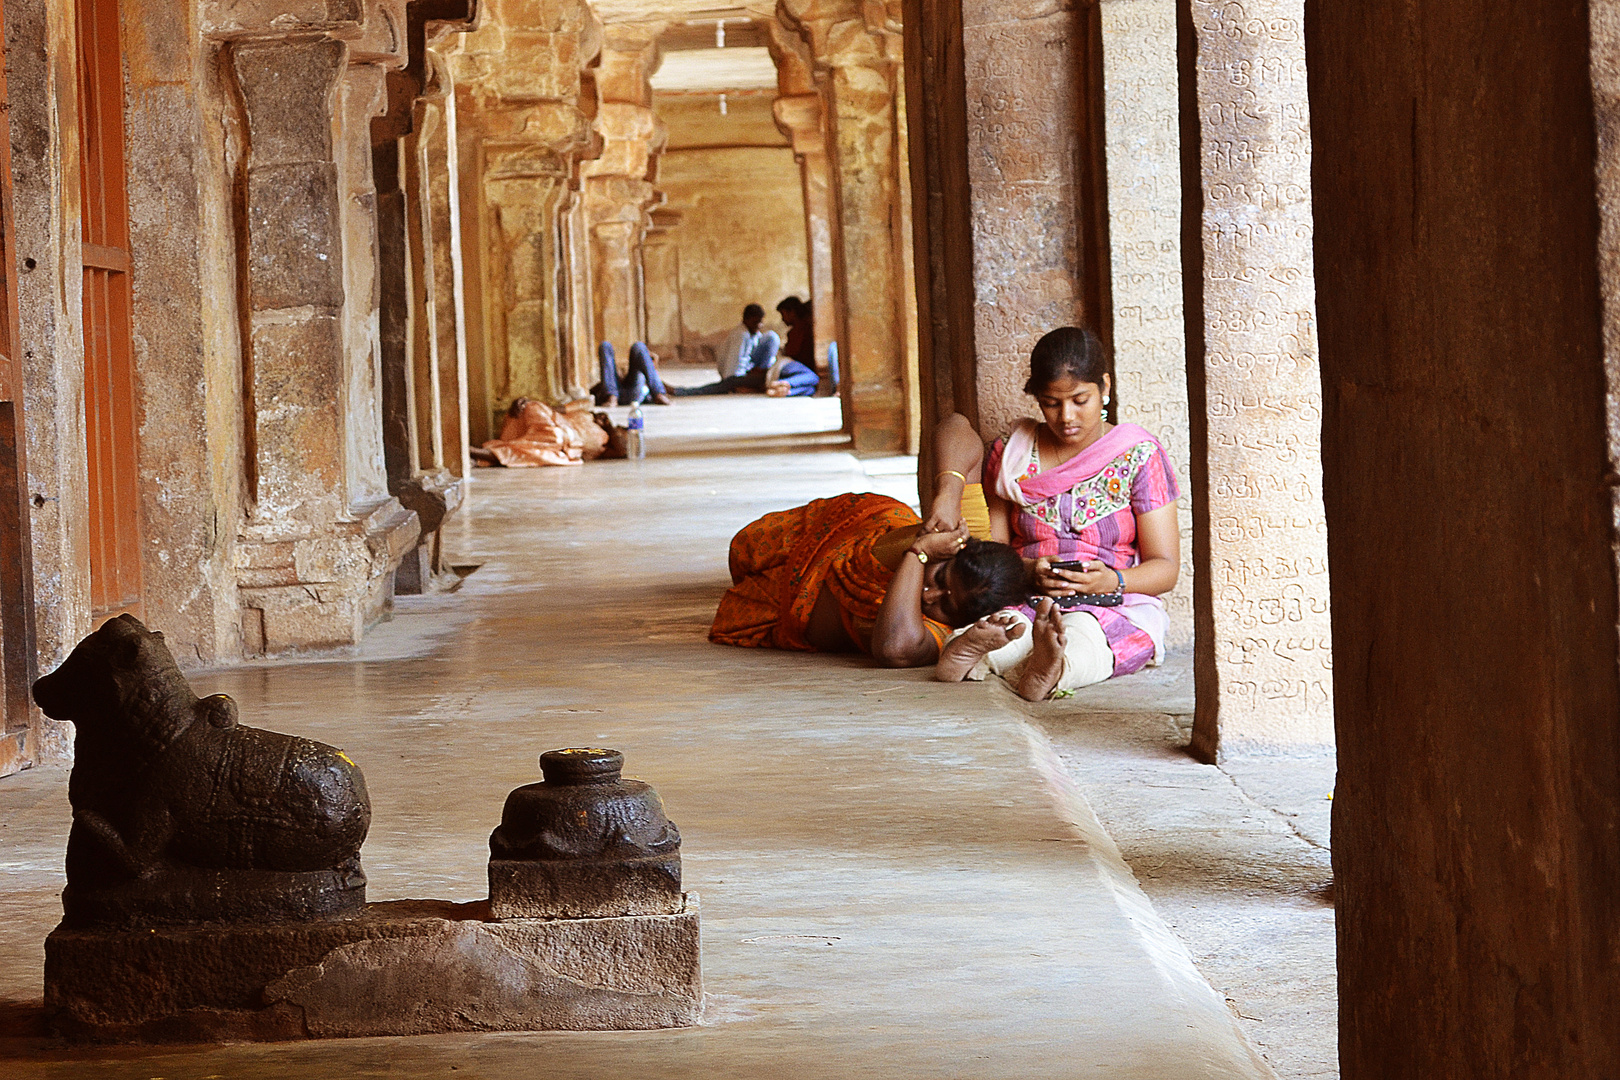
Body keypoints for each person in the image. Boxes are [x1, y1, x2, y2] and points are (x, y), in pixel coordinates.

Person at [933, 326, 1181, 700]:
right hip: (1028, 594)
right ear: (1036, 398)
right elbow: (995, 554)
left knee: (1088, 640)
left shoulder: (1138, 456)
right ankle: (972, 653)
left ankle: (1053, 667)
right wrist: (1028, 571)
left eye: (1080, 400)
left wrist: (1110, 581)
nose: (1067, 416)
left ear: (1105, 388)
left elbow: (1166, 568)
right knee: (1007, 626)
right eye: (1051, 402)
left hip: (1116, 601)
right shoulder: (1011, 455)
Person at [709, 415, 1023, 665]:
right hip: (844, 526)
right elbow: (956, 425)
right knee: (743, 548)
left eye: (946, 604)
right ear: (959, 549)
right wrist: (948, 491)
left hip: (791, 603)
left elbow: (894, 649)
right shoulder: (965, 534)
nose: (929, 596)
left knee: (736, 611)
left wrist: (919, 555)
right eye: (941, 578)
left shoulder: (937, 633)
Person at [470, 397, 623, 467]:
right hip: (547, 422)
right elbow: (551, 409)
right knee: (534, 408)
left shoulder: (604, 444)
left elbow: (623, 450)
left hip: (559, 445)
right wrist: (524, 402)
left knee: (547, 447)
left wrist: (610, 426)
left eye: (622, 430)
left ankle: (480, 454)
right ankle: (486, 453)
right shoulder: (584, 410)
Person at [769, 296, 821, 398]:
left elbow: (792, 351)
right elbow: (792, 353)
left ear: (792, 312)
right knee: (814, 378)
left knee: (811, 389)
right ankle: (786, 383)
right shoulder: (798, 329)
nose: (783, 319)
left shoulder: (800, 329)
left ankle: (783, 391)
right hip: (790, 366)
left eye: (783, 314)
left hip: (792, 368)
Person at [592, 341, 673, 407]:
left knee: (639, 346)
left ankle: (658, 394)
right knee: (605, 345)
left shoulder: (647, 373)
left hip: (634, 390)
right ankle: (612, 397)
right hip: (614, 392)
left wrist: (653, 363)